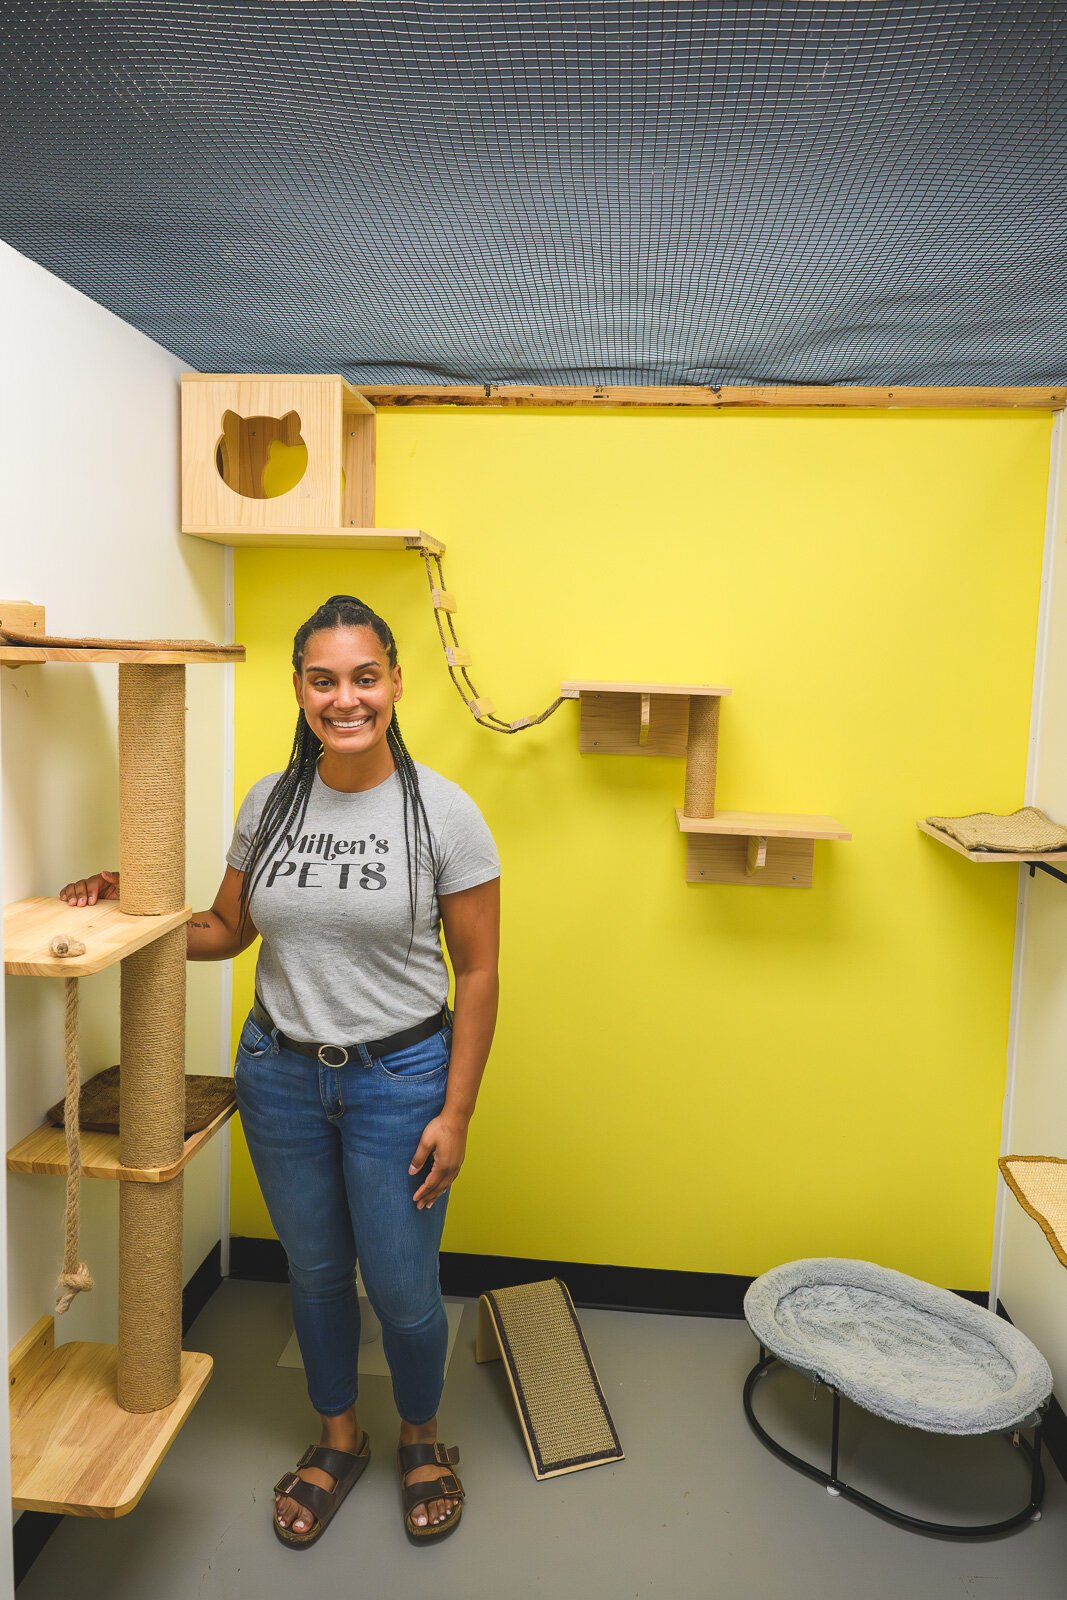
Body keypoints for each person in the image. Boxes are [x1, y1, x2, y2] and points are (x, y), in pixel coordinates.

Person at [59, 593, 501, 1549]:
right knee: (311, 1272)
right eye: (323, 679)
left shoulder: (444, 813)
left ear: (394, 682)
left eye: (364, 676)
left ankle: (421, 1436)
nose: (346, 698)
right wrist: (128, 899)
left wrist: (455, 1111)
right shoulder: (270, 802)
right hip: (280, 1075)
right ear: (299, 688)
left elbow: (478, 969)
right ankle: (337, 1438)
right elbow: (224, 931)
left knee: (402, 1285)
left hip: (399, 1080)